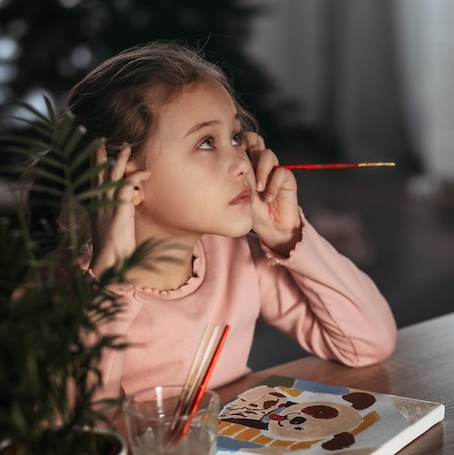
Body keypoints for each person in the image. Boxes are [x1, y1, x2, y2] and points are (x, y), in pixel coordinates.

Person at [64, 41, 396, 399]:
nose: (242, 163)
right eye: (206, 142)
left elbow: (368, 343)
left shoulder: (238, 259)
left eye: (236, 137)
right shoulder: (63, 289)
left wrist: (289, 237)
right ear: (122, 179)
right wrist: (109, 282)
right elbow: (77, 435)